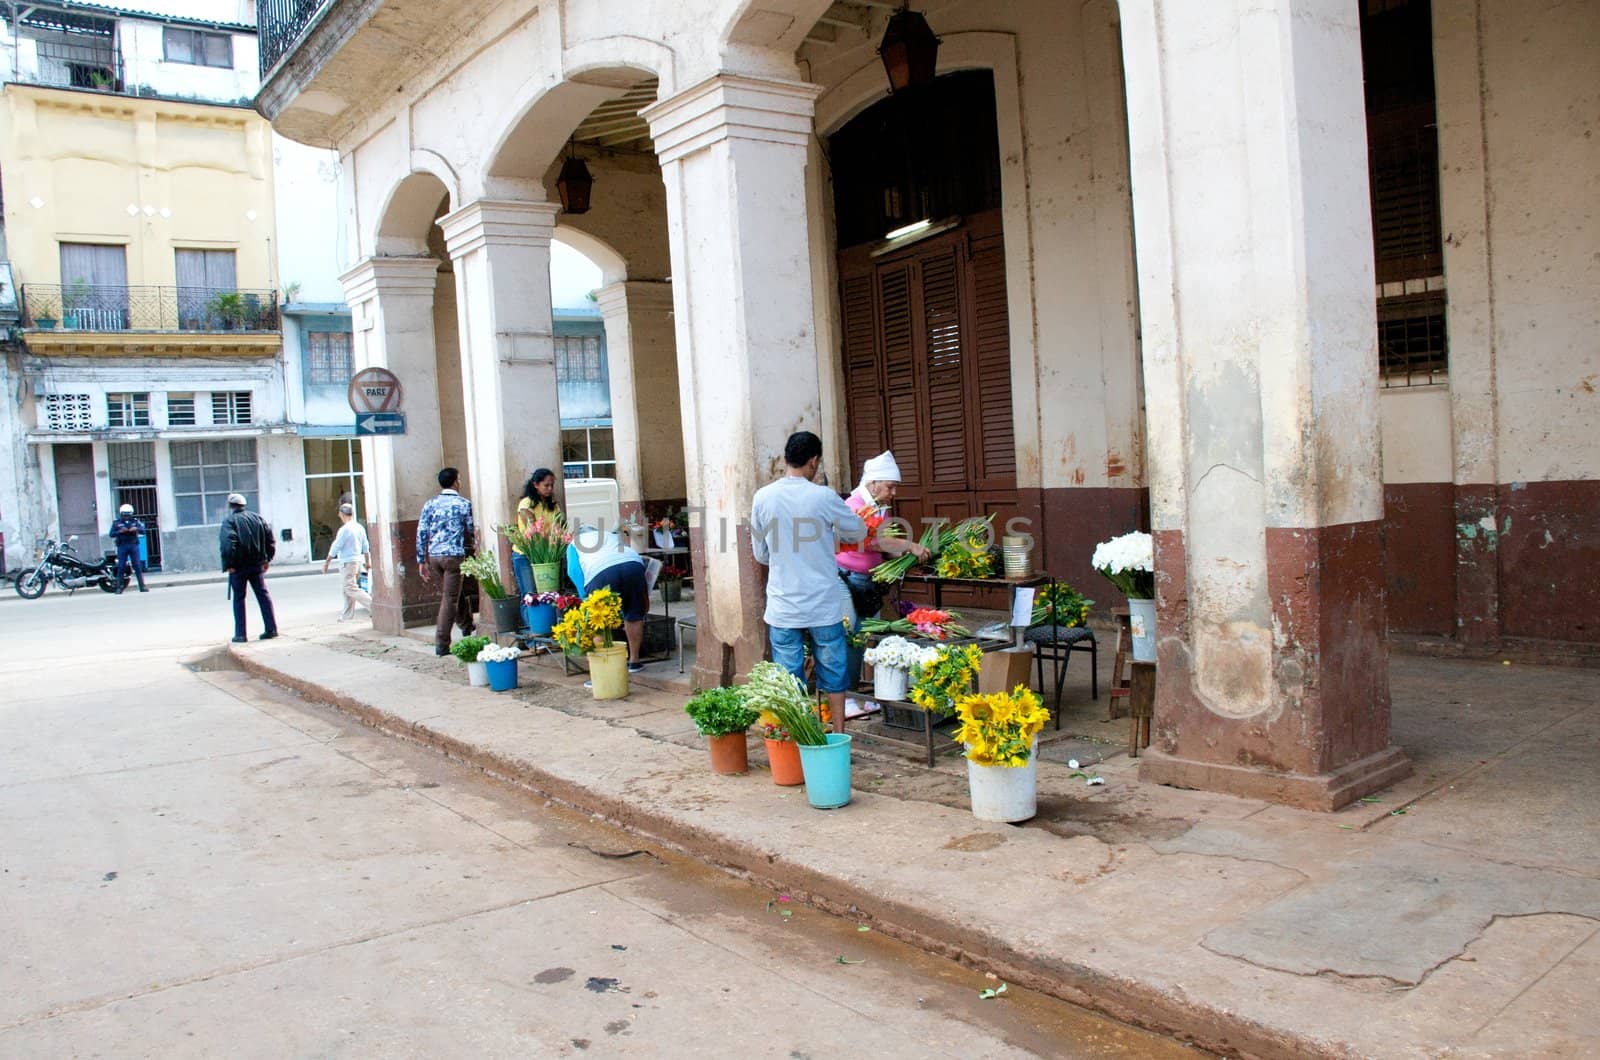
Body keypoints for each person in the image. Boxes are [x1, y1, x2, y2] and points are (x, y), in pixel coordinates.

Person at [751, 431, 867, 731]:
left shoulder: (762, 498)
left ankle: (795, 738)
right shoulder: (823, 497)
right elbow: (857, 533)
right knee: (834, 672)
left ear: (786, 458)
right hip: (822, 604)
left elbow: (761, 554)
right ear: (813, 461)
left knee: (789, 680)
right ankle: (839, 734)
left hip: (783, 606)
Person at [835, 450, 930, 679]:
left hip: (869, 581)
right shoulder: (854, 505)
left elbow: (881, 546)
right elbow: (870, 541)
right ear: (873, 483)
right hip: (845, 579)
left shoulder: (881, 508)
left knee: (869, 635)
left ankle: (866, 691)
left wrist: (900, 559)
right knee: (850, 635)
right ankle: (847, 695)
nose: (893, 493)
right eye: (890, 487)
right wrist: (908, 546)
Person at [565, 525, 649, 673]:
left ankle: (603, 670)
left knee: (598, 620)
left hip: (600, 571)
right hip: (633, 564)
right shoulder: (609, 534)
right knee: (634, 614)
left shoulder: (574, 544)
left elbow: (573, 572)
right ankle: (634, 661)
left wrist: (585, 597)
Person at [416, 467, 476, 656]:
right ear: (456, 481)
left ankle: (466, 625)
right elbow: (472, 529)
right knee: (449, 598)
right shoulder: (463, 504)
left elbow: (421, 532)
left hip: (434, 557)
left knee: (455, 593)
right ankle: (442, 643)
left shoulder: (430, 504)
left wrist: (421, 560)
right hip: (454, 556)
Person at [219, 492, 278, 643]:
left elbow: (227, 545)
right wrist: (267, 559)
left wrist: (228, 565)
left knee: (239, 599)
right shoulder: (257, 518)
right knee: (263, 596)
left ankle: (240, 634)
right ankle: (271, 629)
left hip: (238, 568)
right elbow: (270, 540)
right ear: (243, 505)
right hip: (257, 565)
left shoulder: (229, 522)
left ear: (231, 506)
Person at [513, 468, 561, 595]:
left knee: (548, 593)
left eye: (552, 485)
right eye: (546, 485)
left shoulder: (554, 506)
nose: (550, 488)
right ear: (535, 485)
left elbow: (557, 530)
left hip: (547, 556)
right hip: (525, 554)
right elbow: (534, 530)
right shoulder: (526, 503)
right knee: (529, 595)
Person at [321, 502, 372, 621]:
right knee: (347, 589)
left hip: (348, 563)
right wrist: (367, 561)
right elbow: (366, 546)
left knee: (350, 588)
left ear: (342, 514)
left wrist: (327, 562)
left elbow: (336, 546)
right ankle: (347, 616)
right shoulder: (359, 527)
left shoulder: (345, 529)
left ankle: (373, 606)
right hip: (358, 562)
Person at [109, 503, 148, 594]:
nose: (126, 517)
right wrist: (120, 532)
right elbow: (111, 534)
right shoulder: (117, 522)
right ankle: (119, 587)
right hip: (122, 545)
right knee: (121, 566)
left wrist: (136, 529)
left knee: (137, 566)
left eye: (128, 514)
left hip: (133, 545)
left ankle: (142, 586)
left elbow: (143, 530)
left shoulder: (135, 521)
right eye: (124, 515)